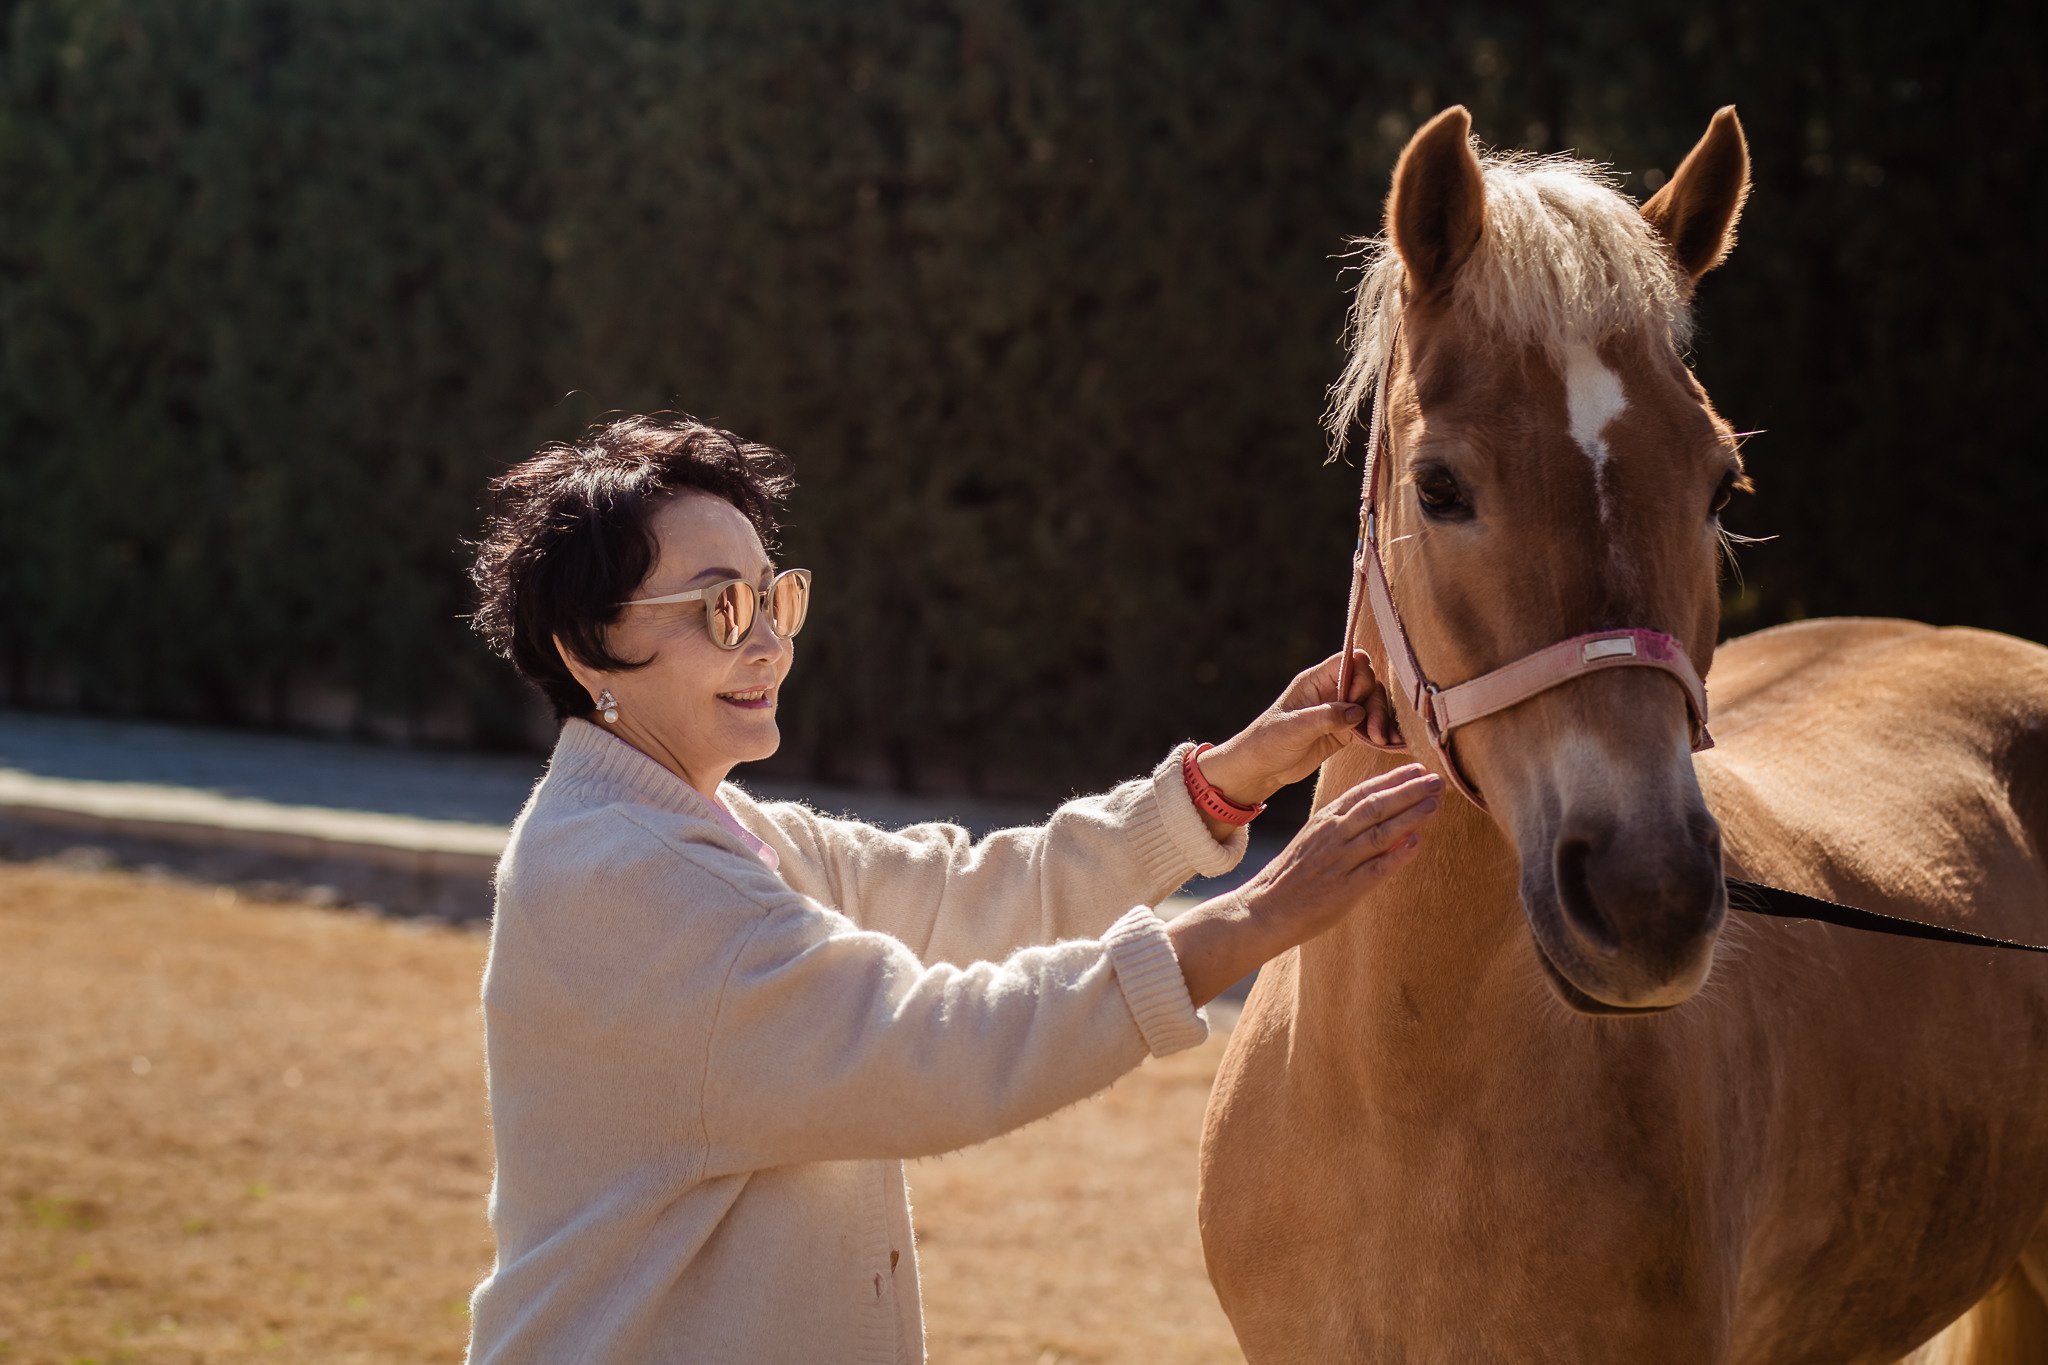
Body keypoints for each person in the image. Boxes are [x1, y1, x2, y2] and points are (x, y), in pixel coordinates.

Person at [464, 413, 1441, 1362]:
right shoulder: (620, 879)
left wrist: (1226, 779)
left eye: (776, 597)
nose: (766, 643)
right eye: (721, 608)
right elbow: (929, 1047)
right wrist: (1256, 918)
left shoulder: (717, 830)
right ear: (586, 648)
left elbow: (974, 895)